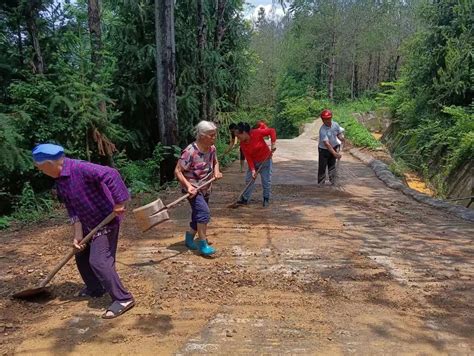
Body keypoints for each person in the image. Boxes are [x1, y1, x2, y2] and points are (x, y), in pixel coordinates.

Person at [32, 143, 134, 319]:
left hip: (105, 221)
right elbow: (72, 209)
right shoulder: (61, 181)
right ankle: (96, 288)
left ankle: (123, 298)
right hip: (88, 223)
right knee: (81, 255)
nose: (42, 172)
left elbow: (111, 174)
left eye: (41, 168)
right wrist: (78, 236)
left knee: (99, 260)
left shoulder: (80, 168)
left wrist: (119, 202)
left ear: (49, 164)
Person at [175, 121, 223, 256]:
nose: (214, 138)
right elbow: (178, 171)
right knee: (204, 213)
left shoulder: (212, 148)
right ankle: (203, 244)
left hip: (205, 187)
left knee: (198, 214)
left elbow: (215, 162)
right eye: (211, 135)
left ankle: (189, 237)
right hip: (192, 189)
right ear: (202, 135)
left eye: (215, 135)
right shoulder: (190, 151)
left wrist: (216, 172)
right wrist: (189, 186)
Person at [234, 122, 277, 207]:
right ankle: (245, 199)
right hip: (254, 162)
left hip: (265, 161)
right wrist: (253, 170)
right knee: (249, 179)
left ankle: (266, 198)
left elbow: (272, 131)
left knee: (266, 181)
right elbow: (248, 158)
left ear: (244, 133)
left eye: (238, 136)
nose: (238, 138)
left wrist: (273, 143)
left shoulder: (256, 132)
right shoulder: (243, 144)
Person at [317, 109, 345, 185]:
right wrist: (334, 153)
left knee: (332, 166)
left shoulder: (335, 125)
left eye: (328, 119)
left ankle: (333, 182)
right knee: (322, 167)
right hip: (324, 150)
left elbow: (338, 133)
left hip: (334, 147)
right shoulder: (322, 130)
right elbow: (327, 144)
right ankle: (321, 184)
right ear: (322, 120)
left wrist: (341, 138)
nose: (327, 121)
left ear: (331, 118)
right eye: (325, 119)